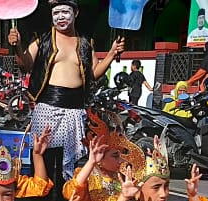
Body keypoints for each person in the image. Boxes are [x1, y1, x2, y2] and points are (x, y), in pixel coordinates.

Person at [8, 0, 125, 186]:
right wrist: (17, 47)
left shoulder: (85, 43)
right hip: (48, 105)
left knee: (69, 162)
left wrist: (111, 53)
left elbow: (94, 73)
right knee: (43, 154)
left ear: (75, 13)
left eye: (65, 12)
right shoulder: (43, 39)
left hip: (74, 108)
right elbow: (26, 63)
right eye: (56, 13)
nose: (61, 17)